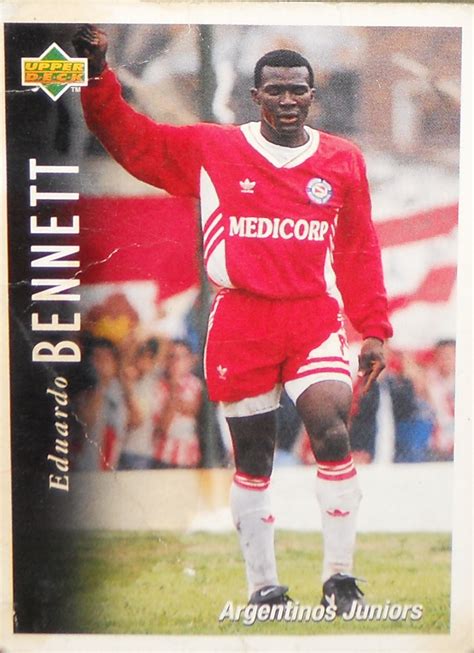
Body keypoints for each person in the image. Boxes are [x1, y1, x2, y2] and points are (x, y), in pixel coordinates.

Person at [73, 25, 393, 613]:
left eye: (299, 90)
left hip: (312, 318)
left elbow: (358, 247)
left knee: (332, 428)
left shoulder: (342, 160)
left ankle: (340, 579)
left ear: (312, 94)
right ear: (256, 96)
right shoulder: (215, 149)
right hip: (241, 320)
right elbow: (133, 141)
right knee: (254, 458)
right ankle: (264, 588)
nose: (288, 100)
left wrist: (373, 327)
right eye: (276, 91)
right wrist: (97, 77)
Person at [154, 339, 203, 469]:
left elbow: (194, 410)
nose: (175, 362)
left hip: (189, 456)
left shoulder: (196, 385)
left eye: (180, 357)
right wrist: (175, 390)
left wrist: (174, 404)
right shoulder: (159, 386)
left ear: (189, 361)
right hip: (164, 455)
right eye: (172, 357)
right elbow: (162, 426)